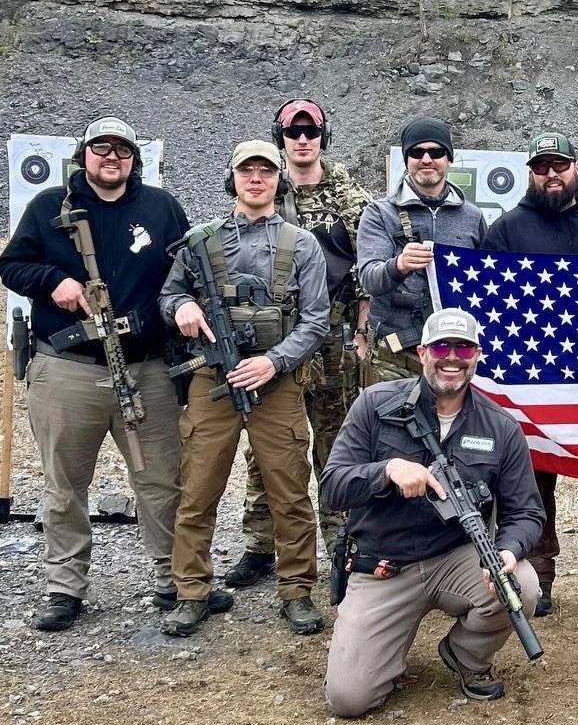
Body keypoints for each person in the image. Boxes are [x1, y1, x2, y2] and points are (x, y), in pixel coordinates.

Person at [0, 117, 190, 631]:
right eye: (101, 147)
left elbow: (187, 270)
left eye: (122, 150)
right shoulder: (49, 207)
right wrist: (52, 280)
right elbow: (11, 265)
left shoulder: (162, 208)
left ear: (135, 159)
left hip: (147, 370)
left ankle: (175, 578)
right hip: (67, 369)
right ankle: (64, 587)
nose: (112, 157)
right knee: (64, 484)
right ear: (83, 154)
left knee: (161, 480)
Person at [321, 308, 545, 715]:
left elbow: (527, 513)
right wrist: (386, 471)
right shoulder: (374, 404)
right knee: (349, 699)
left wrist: (509, 551)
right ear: (423, 352)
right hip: (385, 564)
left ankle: (466, 654)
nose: (452, 357)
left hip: (454, 558)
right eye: (442, 347)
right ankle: (382, 656)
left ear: (477, 356)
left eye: (464, 348)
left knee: (522, 585)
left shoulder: (500, 427)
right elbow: (332, 486)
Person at [160, 141, 331, 637]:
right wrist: (181, 307)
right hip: (211, 379)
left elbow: (316, 320)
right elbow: (169, 294)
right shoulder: (200, 240)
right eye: (246, 170)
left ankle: (296, 590)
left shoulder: (302, 244)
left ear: (279, 180)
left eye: (266, 171)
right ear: (232, 178)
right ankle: (192, 592)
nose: (256, 179)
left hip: (277, 384)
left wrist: (273, 362)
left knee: (290, 492)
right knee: (198, 491)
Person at [481, 131, 578, 619]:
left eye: (559, 165)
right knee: (535, 477)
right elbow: (487, 300)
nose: (551, 174)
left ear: (577, 167)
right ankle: (540, 574)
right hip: (532, 375)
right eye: (541, 166)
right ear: (530, 173)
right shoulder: (506, 230)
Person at [224, 98, 371, 591]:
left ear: (324, 137)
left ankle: (341, 546)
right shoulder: (262, 188)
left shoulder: (351, 198)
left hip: (333, 342)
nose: (303, 139)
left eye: (311, 131)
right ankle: (260, 545)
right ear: (281, 137)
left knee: (336, 446)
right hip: (272, 342)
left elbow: (368, 264)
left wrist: (363, 327)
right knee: (268, 449)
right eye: (293, 132)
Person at [356, 118, 485, 383]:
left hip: (454, 357)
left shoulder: (472, 217)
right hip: (394, 357)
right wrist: (398, 266)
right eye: (417, 152)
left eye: (436, 152)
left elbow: (485, 281)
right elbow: (369, 278)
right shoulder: (379, 213)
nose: (427, 159)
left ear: (449, 159)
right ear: (406, 160)